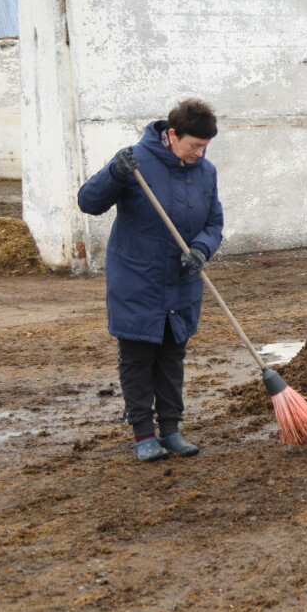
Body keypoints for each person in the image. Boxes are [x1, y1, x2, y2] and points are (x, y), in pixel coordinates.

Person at [77, 99, 223, 462]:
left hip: (182, 280)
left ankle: (171, 430)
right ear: (171, 135)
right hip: (137, 279)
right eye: (193, 146)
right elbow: (89, 203)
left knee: (172, 357)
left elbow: (213, 223)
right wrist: (115, 172)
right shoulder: (134, 161)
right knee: (138, 357)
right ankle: (143, 434)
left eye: (204, 147)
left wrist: (201, 249)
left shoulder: (206, 171)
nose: (199, 153)